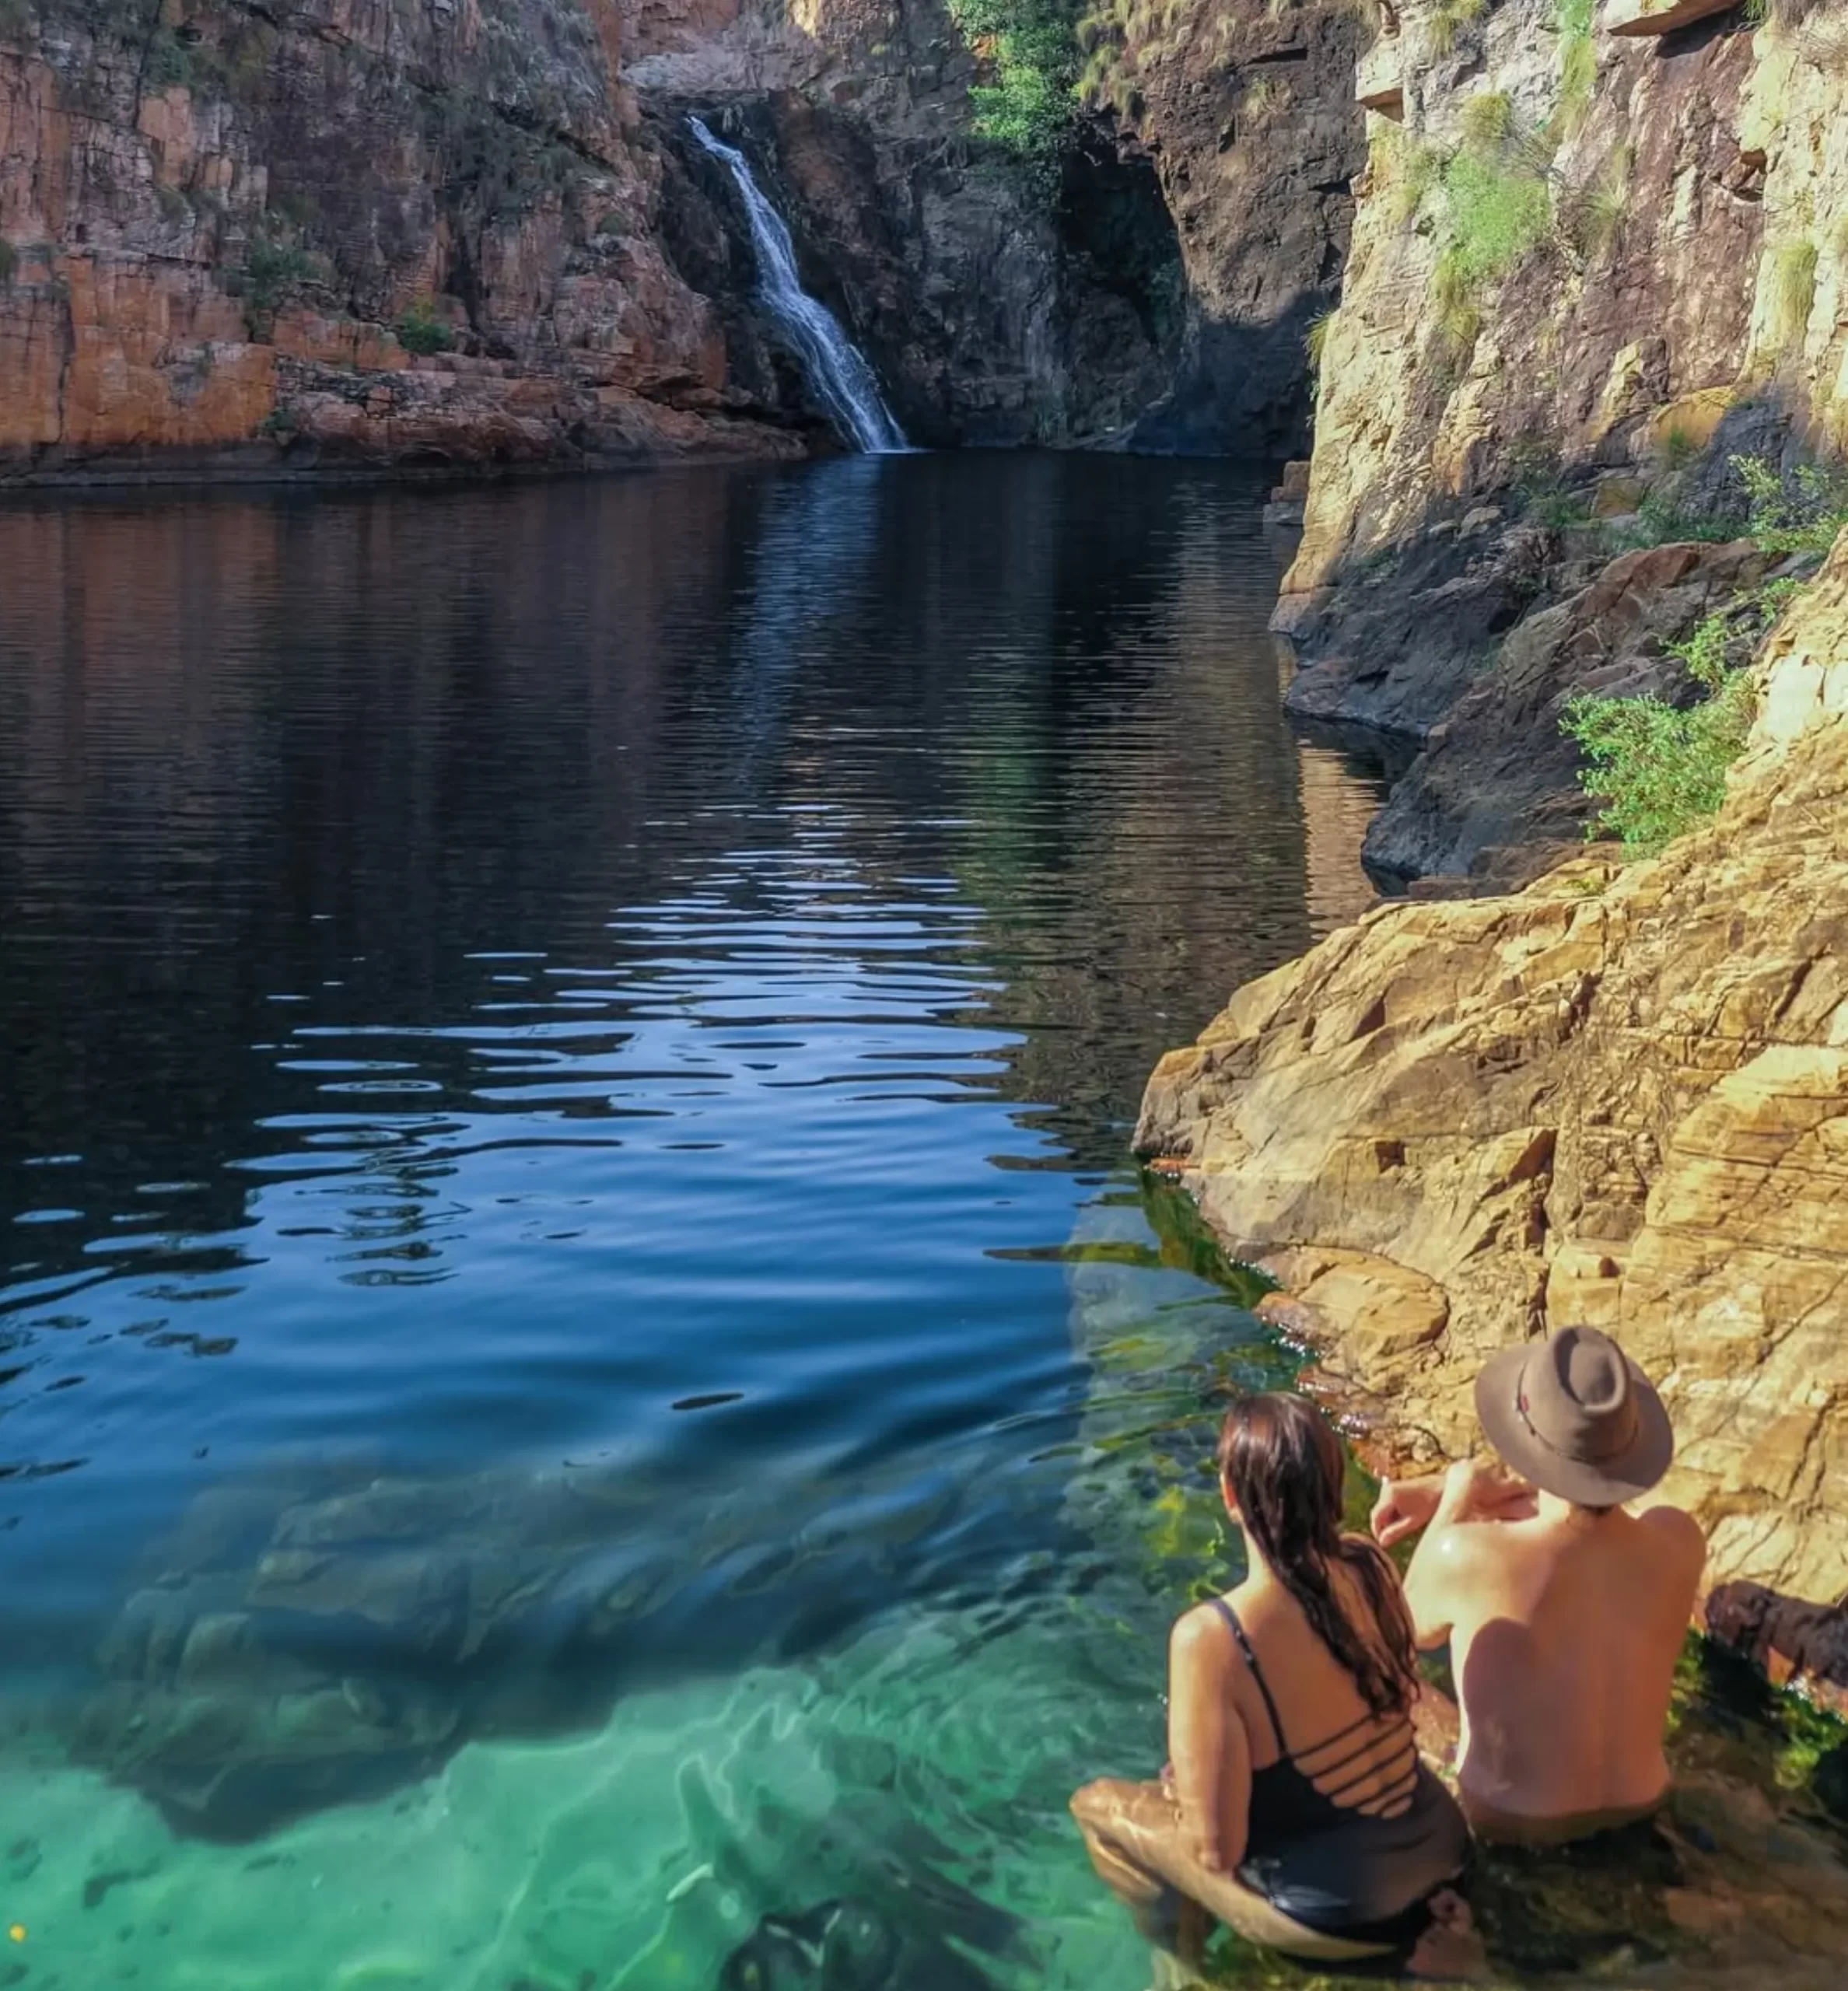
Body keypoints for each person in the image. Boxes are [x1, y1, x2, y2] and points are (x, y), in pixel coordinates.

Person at [1071, 1393, 1473, 1976]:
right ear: (1333, 1483)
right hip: (1451, 1857)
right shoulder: (1370, 1564)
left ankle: (1182, 1963)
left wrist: (1183, 1795)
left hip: (1347, 1918)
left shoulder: (1212, 1639)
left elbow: (1218, 1851)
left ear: (1232, 1497)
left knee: (1099, 1809)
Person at [1371, 1323, 1707, 1846]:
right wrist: (1478, 1492)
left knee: (1383, 1676)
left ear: (1522, 1437)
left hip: (1511, 1826)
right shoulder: (1679, 1540)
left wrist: (1457, 1492)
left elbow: (1400, 1630)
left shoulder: (1466, 1554)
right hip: (1647, 1809)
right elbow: (1589, 1515)